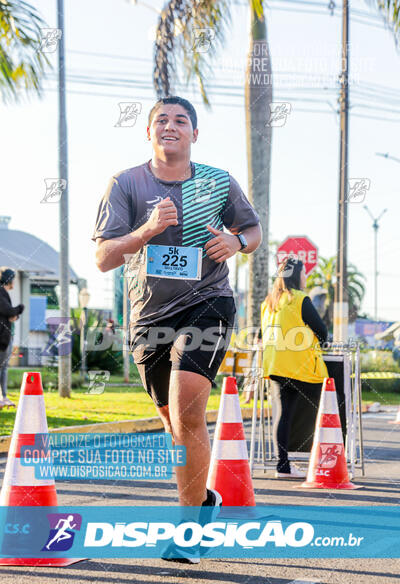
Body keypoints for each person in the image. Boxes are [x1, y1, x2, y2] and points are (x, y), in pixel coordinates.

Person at [93, 96, 261, 561]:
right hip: (149, 316)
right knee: (175, 426)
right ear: (149, 132)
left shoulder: (217, 181)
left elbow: (252, 231)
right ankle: (204, 503)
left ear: (194, 133)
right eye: (161, 120)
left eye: (181, 120)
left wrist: (235, 240)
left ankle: (189, 532)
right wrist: (145, 231)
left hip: (208, 301)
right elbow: (105, 258)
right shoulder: (125, 183)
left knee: (189, 411)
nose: (171, 126)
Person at [261, 257, 328, 479]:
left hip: (276, 366)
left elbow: (263, 335)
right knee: (326, 409)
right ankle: (327, 461)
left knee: (284, 415)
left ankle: (283, 466)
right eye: (303, 273)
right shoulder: (300, 299)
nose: (305, 276)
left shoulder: (269, 302)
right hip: (301, 367)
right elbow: (321, 330)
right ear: (296, 275)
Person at [0, 268, 24, 409]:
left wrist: (14, 313)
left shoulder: (4, 294)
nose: (14, 282)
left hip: (6, 336)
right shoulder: (1, 292)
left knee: (3, 368)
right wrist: (20, 308)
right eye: (12, 279)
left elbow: (9, 314)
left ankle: (3, 397)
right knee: (2, 368)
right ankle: (3, 398)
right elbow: (8, 311)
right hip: (2, 338)